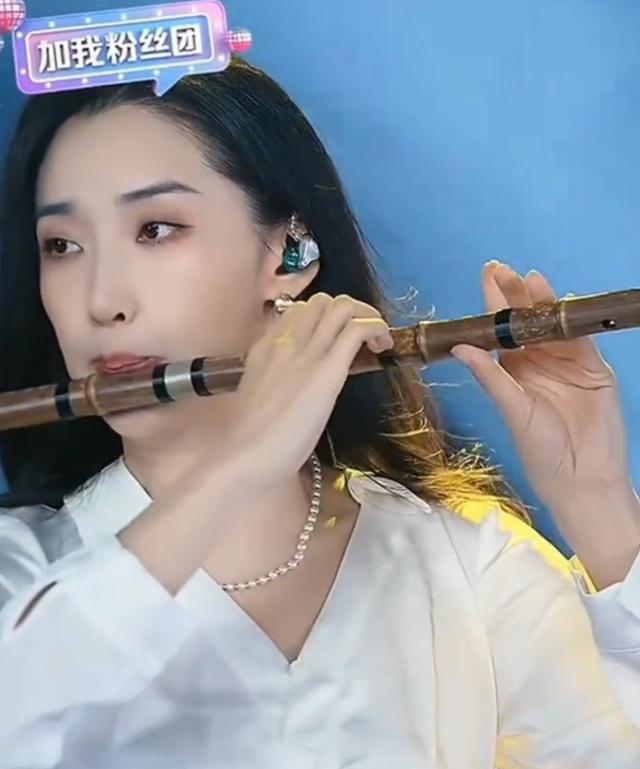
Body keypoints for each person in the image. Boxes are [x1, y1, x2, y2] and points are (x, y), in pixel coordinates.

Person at [0, 55, 639, 768]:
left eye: (155, 228)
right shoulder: (20, 570)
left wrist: (599, 503)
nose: (101, 301)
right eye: (61, 245)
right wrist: (239, 467)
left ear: (289, 253)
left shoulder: (468, 563)